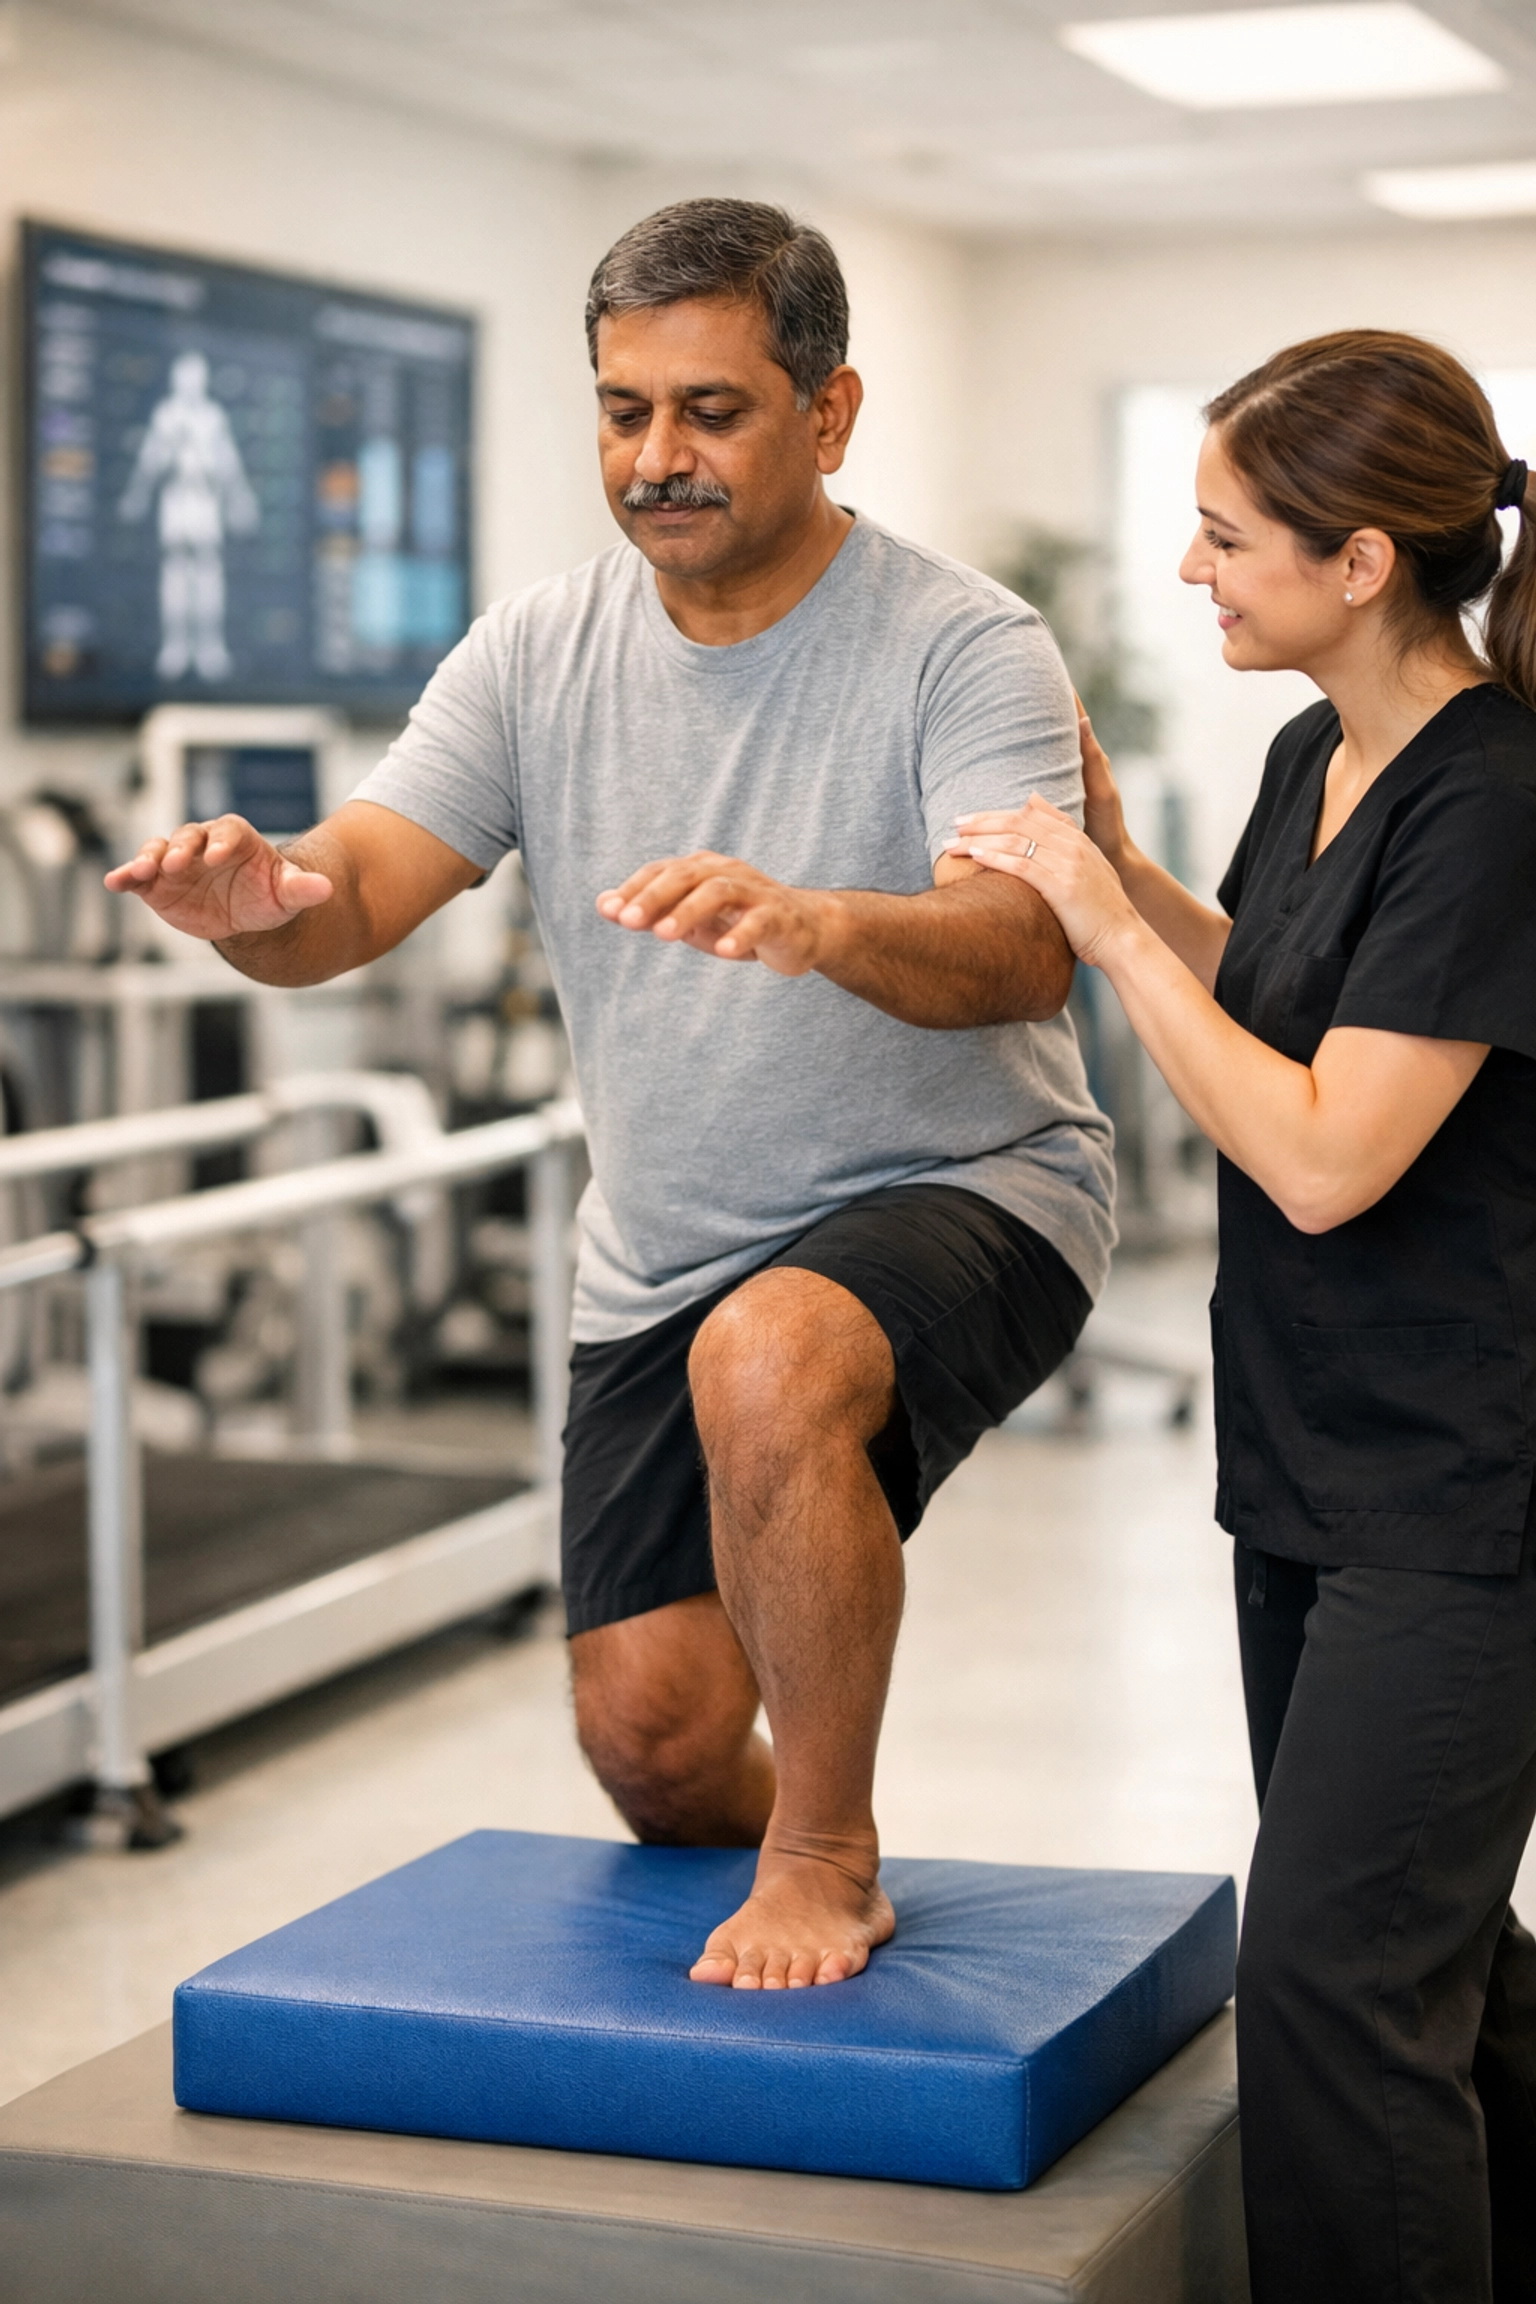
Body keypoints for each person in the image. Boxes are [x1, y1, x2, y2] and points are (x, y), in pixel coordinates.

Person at [106, 199, 1114, 1992]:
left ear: (830, 411)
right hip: (669, 1247)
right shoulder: (531, 652)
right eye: (622, 409)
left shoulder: (967, 644)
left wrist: (818, 922)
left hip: (976, 1185)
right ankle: (768, 1822)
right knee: (651, 1744)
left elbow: (1027, 949)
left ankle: (829, 1848)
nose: (657, 458)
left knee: (775, 1357)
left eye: (710, 411)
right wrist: (256, 909)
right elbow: (353, 887)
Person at [952, 330, 1536, 2303]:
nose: (1192, 572)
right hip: (1309, 1459)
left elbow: (1316, 1154)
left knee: (1334, 1997)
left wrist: (1108, 931)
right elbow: (1277, 1000)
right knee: (1444, 1972)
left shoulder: (1495, 799)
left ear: (1362, 563)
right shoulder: (1315, 752)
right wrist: (1124, 866)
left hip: (1464, 1497)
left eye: (1224, 538)